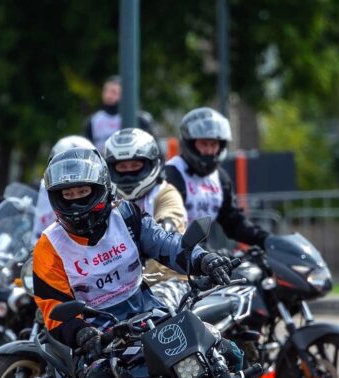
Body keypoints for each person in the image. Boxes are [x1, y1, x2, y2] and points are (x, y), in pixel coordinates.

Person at [32, 148, 233, 378]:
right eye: (67, 195)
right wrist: (82, 336)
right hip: (92, 328)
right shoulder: (48, 247)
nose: (76, 201)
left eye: (83, 191)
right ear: (56, 199)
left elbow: (167, 246)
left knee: (221, 346)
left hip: (145, 307)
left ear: (102, 189)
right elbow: (52, 310)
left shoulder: (126, 215)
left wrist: (203, 259)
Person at [165, 107, 268, 248]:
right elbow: (167, 226)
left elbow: (233, 221)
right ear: (190, 144)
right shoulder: (172, 174)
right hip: (170, 255)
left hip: (200, 256)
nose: (209, 150)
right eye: (203, 144)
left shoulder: (220, 178)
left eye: (213, 144)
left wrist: (265, 240)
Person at [103, 127, 186, 285]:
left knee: (162, 306)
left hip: (166, 280)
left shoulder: (165, 193)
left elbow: (167, 229)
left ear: (151, 164)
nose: (128, 173)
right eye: (122, 167)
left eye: (135, 165)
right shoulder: (105, 199)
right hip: (118, 286)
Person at [83, 75, 154, 150]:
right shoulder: (93, 121)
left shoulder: (139, 119)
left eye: (114, 92)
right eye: (106, 91)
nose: (108, 95)